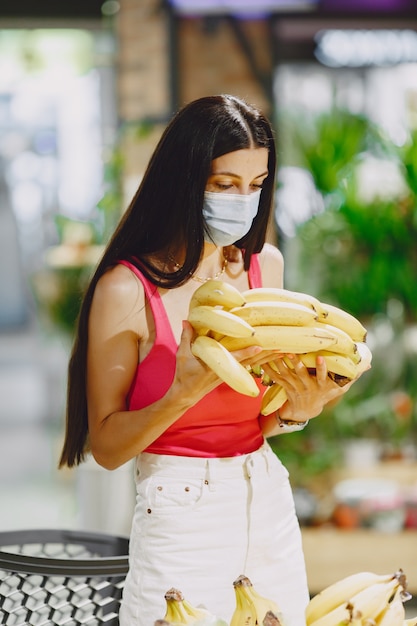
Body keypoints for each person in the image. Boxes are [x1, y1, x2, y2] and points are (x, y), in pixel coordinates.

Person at [59, 94, 360, 626]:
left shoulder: (264, 268)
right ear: (183, 180)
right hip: (179, 513)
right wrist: (183, 392)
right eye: (225, 185)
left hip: (264, 496)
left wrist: (300, 408)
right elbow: (106, 447)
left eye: (257, 185)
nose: (244, 200)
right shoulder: (126, 289)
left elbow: (253, 420)